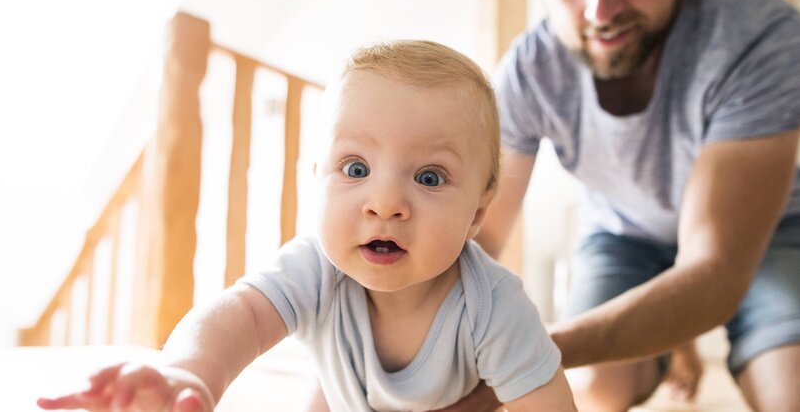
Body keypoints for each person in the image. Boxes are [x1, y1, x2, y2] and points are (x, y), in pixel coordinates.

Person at [36, 40, 577, 412]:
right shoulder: (315, 266)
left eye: (430, 177)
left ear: (477, 215)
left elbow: (545, 399)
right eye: (356, 169)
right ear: (316, 180)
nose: (385, 202)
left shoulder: (494, 306)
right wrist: (192, 374)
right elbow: (240, 315)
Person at [446, 0, 800, 411]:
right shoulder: (531, 67)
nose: (601, 11)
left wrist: (525, 357)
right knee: (592, 385)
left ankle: (672, 337)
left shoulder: (760, 37)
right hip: (623, 233)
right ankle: (669, 343)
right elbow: (473, 240)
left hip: (765, 232)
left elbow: (712, 270)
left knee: (790, 391)